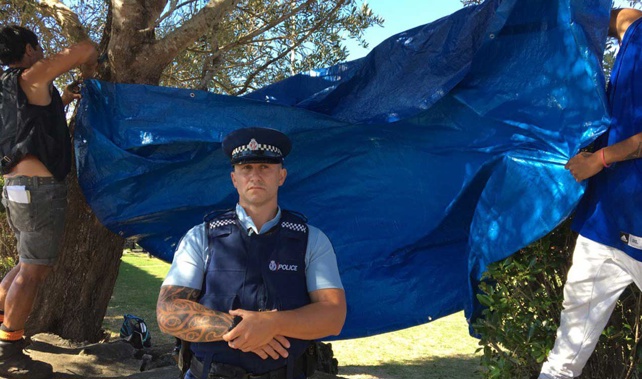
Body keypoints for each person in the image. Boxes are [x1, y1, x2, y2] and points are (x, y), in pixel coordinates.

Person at [157, 127, 347, 379]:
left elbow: (333, 316)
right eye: (246, 168)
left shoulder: (311, 239)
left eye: (265, 167)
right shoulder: (200, 236)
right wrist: (244, 329)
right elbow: (168, 312)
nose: (255, 176)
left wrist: (272, 323)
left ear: (281, 176)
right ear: (234, 178)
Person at [539, 8, 642, 379]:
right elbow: (591, 12)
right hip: (604, 229)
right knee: (562, 361)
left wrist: (599, 158)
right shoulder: (634, 26)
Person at [0, 26, 97, 379]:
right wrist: (90, 70)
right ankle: (8, 350)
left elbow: (31, 123)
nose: (42, 54)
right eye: (38, 48)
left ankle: (2, 331)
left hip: (15, 187)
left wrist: (66, 97)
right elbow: (86, 48)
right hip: (39, 190)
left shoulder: (7, 87)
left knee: (25, 263)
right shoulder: (31, 75)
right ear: (28, 49)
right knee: (32, 271)